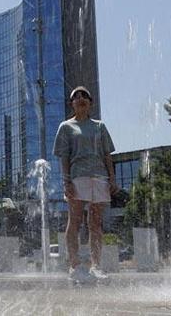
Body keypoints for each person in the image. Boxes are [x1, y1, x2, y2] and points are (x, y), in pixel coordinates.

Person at [53, 86, 117, 281]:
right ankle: (75, 265)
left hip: (99, 177)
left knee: (96, 222)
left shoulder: (99, 126)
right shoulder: (66, 127)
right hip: (77, 176)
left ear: (91, 102)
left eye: (84, 96)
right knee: (75, 220)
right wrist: (66, 182)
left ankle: (96, 265)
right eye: (76, 96)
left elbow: (107, 155)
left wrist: (112, 178)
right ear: (71, 103)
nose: (80, 98)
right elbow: (64, 157)